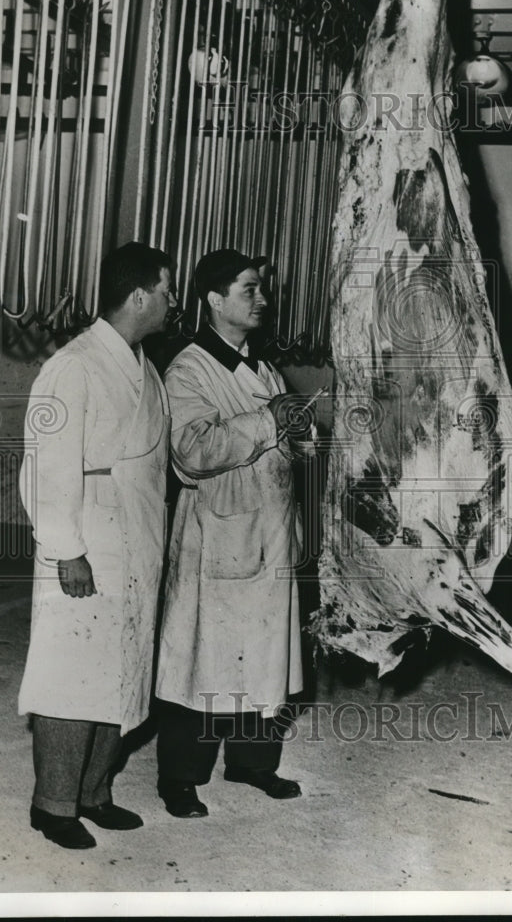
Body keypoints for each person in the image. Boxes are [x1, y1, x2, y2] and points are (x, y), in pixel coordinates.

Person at [18, 242, 176, 849]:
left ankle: (94, 791)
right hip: (87, 536)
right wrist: (66, 549)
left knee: (124, 662)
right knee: (71, 667)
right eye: (166, 291)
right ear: (140, 295)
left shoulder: (146, 366)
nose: (172, 303)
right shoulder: (74, 365)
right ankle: (53, 802)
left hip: (138, 533)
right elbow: (46, 466)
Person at [154, 248, 309, 818]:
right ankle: (180, 779)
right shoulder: (188, 368)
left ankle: (252, 764)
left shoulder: (262, 365)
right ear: (214, 299)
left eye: (261, 289)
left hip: (268, 538)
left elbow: (284, 441)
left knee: (264, 656)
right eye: (250, 289)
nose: (263, 300)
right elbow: (193, 451)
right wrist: (272, 421)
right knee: (202, 660)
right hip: (216, 540)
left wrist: (300, 430)